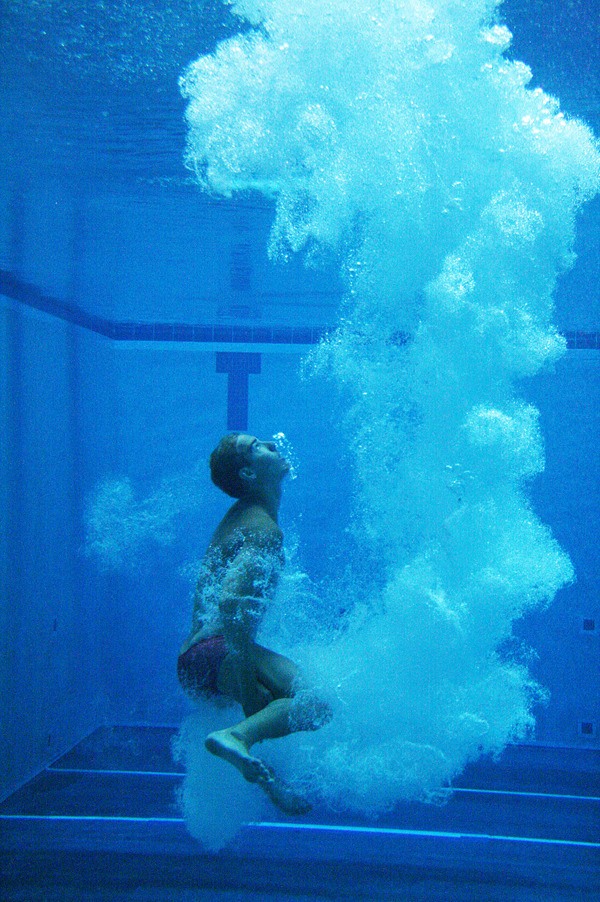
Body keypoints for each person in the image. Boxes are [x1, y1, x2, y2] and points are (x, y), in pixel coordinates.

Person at [178, 433, 331, 814]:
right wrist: (246, 685)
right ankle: (236, 736)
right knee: (317, 702)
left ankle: (265, 775)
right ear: (248, 471)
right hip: (215, 649)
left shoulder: (243, 517)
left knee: (272, 705)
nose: (272, 444)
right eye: (257, 446)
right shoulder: (262, 528)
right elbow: (231, 604)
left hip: (197, 660)